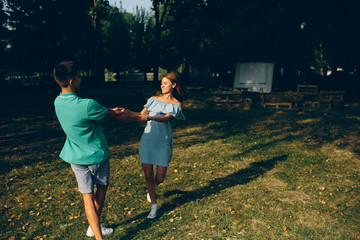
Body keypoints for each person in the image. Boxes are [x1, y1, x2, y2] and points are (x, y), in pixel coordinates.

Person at [53, 61, 147, 240]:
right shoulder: (88, 104)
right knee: (101, 188)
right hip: (96, 155)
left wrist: (111, 110)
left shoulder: (58, 101)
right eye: (79, 76)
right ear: (72, 80)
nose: (82, 79)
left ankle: (93, 230)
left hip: (74, 156)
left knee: (87, 196)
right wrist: (140, 118)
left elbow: (103, 112)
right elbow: (116, 115)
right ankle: (96, 233)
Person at [123, 72, 186, 219]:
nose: (162, 85)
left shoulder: (177, 104)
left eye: (165, 83)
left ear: (174, 85)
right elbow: (141, 115)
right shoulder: (153, 100)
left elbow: (166, 118)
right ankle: (154, 205)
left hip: (163, 142)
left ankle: (151, 188)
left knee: (160, 178)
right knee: (148, 176)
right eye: (161, 83)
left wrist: (150, 117)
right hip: (148, 140)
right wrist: (126, 112)